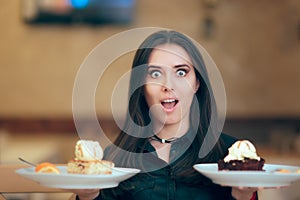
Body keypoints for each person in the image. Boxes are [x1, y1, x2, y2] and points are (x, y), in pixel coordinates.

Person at [73, 30, 259, 200]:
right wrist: (87, 197)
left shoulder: (230, 156)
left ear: (196, 84)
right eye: (155, 74)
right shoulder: (114, 159)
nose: (168, 85)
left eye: (181, 72)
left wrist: (243, 196)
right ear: (141, 86)